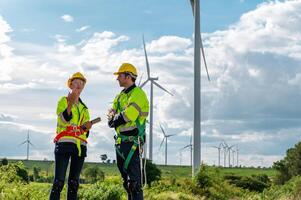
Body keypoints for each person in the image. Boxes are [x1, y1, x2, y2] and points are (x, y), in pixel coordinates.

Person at [107, 63, 149, 200]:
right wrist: (114, 118)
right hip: (120, 143)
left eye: (119, 75)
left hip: (132, 143)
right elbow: (110, 118)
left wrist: (115, 118)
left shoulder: (138, 94)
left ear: (128, 76)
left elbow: (128, 116)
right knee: (127, 184)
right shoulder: (119, 97)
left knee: (134, 184)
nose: (117, 78)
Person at [50, 72, 92, 200]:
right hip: (64, 144)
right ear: (71, 85)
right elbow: (64, 119)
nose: (79, 85)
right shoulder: (63, 100)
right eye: (76, 82)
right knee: (59, 182)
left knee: (74, 184)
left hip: (80, 147)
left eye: (81, 83)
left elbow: (85, 132)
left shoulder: (85, 108)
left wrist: (86, 127)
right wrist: (69, 105)